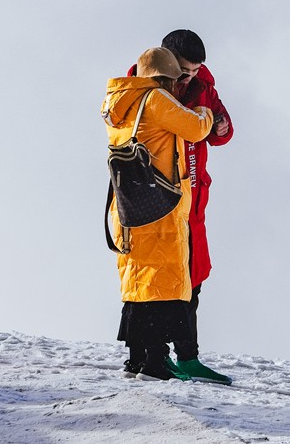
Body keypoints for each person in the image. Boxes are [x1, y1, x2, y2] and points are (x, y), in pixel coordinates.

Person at [103, 47, 215, 381]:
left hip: (127, 202)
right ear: (163, 77)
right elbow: (195, 128)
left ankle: (136, 359)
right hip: (158, 203)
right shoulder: (154, 99)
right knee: (162, 284)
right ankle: (154, 362)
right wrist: (205, 111)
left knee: (138, 280)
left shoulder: (117, 101)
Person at [158, 28, 235, 385]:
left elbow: (221, 131)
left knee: (193, 276)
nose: (191, 77)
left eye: (196, 70)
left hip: (193, 198)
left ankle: (187, 357)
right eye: (186, 71)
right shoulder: (142, 82)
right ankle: (152, 356)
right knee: (157, 278)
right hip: (156, 197)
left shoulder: (202, 84)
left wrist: (219, 125)